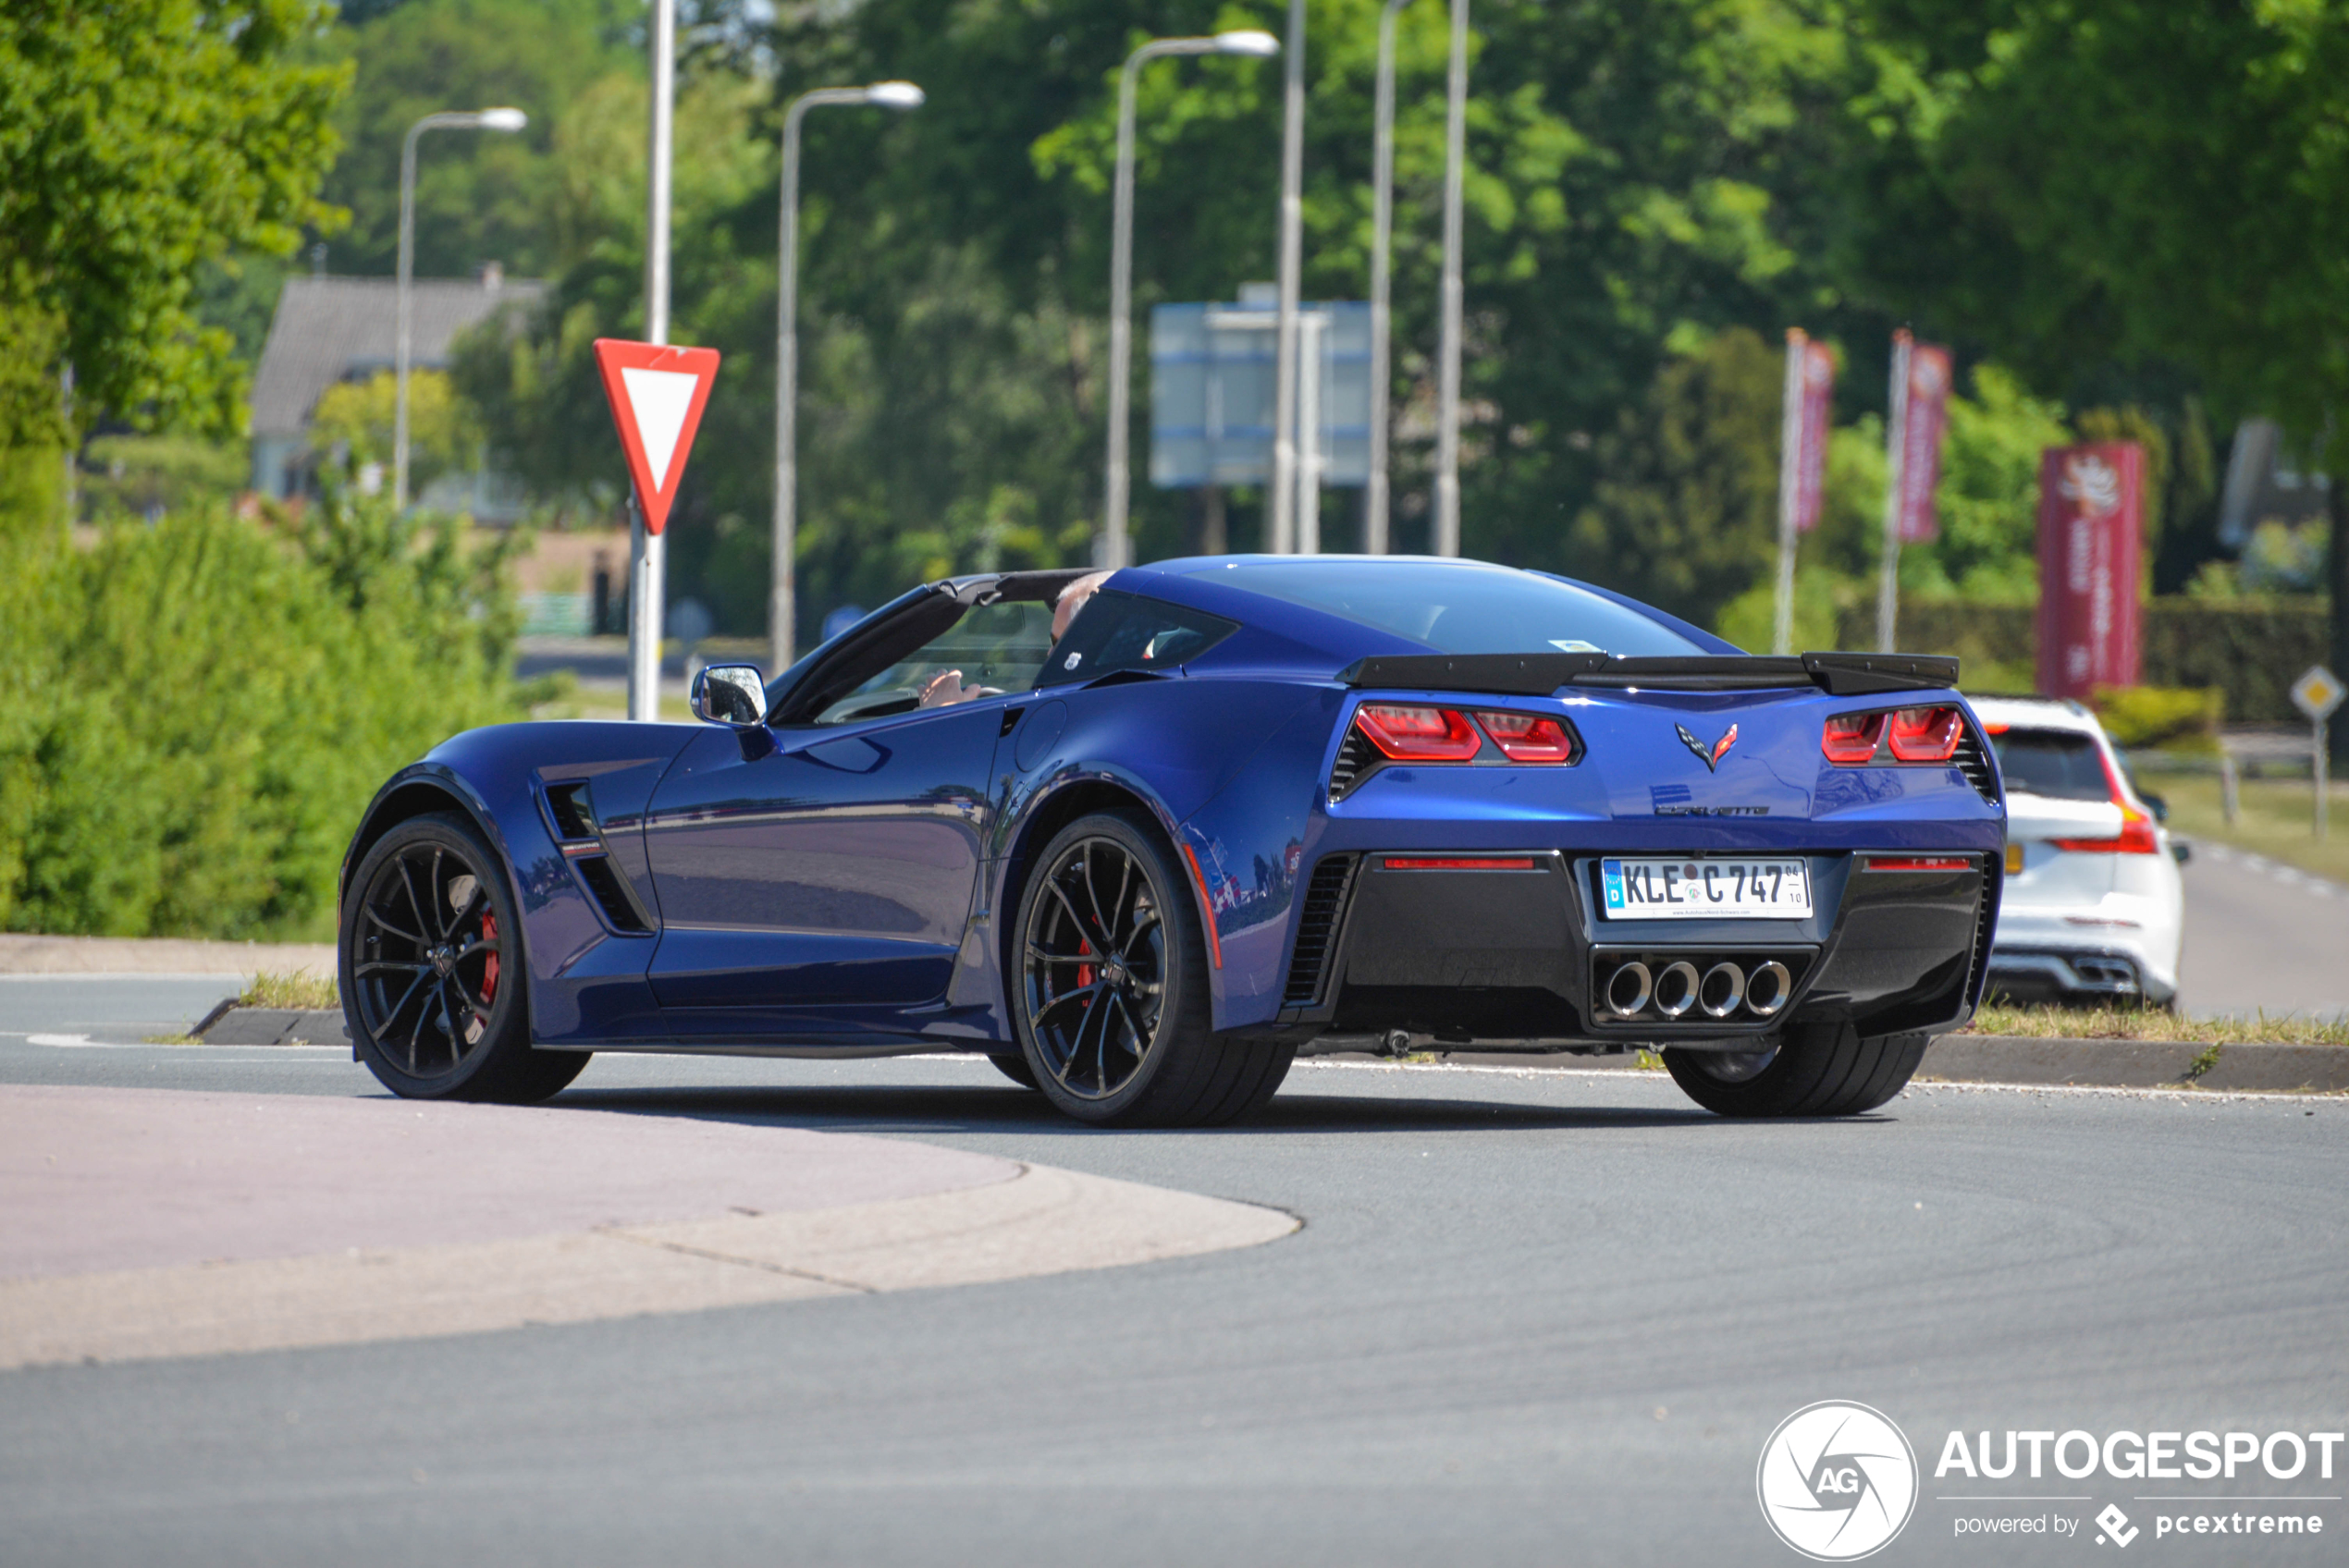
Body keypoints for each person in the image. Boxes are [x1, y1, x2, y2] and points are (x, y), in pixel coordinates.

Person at [917, 570, 1112, 708]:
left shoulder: (1079, 716)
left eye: (1059, 644)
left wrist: (942, 715)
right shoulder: (1122, 705)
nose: (1049, 653)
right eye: (1051, 641)